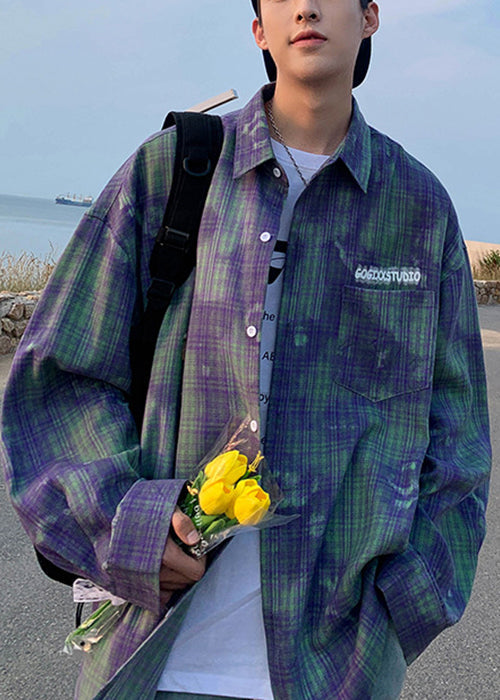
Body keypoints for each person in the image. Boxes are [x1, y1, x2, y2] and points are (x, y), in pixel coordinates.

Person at [1, 1, 491, 698]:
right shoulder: (171, 172)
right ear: (260, 29)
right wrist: (130, 529)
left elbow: (459, 444)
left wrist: (396, 614)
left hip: (338, 670)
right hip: (154, 655)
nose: (307, 7)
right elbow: (59, 380)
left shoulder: (418, 208)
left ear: (370, 17)